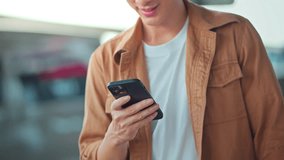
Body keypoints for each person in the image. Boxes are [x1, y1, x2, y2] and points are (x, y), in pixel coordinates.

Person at [79, 0, 284, 159]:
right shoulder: (104, 59)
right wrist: (116, 136)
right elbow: (89, 152)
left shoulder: (236, 33)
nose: (142, 2)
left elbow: (272, 130)